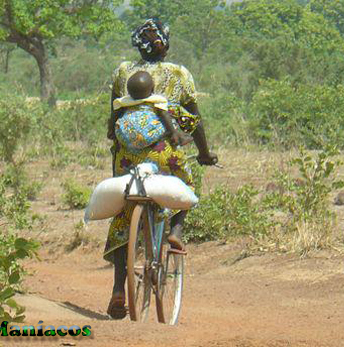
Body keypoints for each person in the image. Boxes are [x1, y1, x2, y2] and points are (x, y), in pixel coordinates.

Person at [105, 18, 218, 319]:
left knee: (122, 215)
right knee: (186, 185)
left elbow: (111, 120)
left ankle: (118, 289)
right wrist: (204, 153)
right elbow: (194, 118)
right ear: (165, 44)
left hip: (126, 159)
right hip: (162, 154)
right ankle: (176, 229)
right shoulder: (179, 73)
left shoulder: (123, 72)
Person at [113, 70, 193, 150]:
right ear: (152, 89)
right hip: (148, 137)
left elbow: (115, 114)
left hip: (125, 137)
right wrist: (173, 132)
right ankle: (178, 138)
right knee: (170, 119)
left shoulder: (124, 101)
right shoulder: (157, 99)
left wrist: (111, 129)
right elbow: (164, 114)